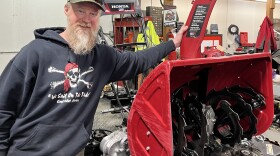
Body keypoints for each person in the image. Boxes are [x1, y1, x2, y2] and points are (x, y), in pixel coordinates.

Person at [0, 0, 188, 155]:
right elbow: (3, 108)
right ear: (67, 10)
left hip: (74, 151)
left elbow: (139, 60)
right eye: (80, 11)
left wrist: (172, 43)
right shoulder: (35, 53)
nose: (86, 19)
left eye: (93, 14)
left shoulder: (102, 57)